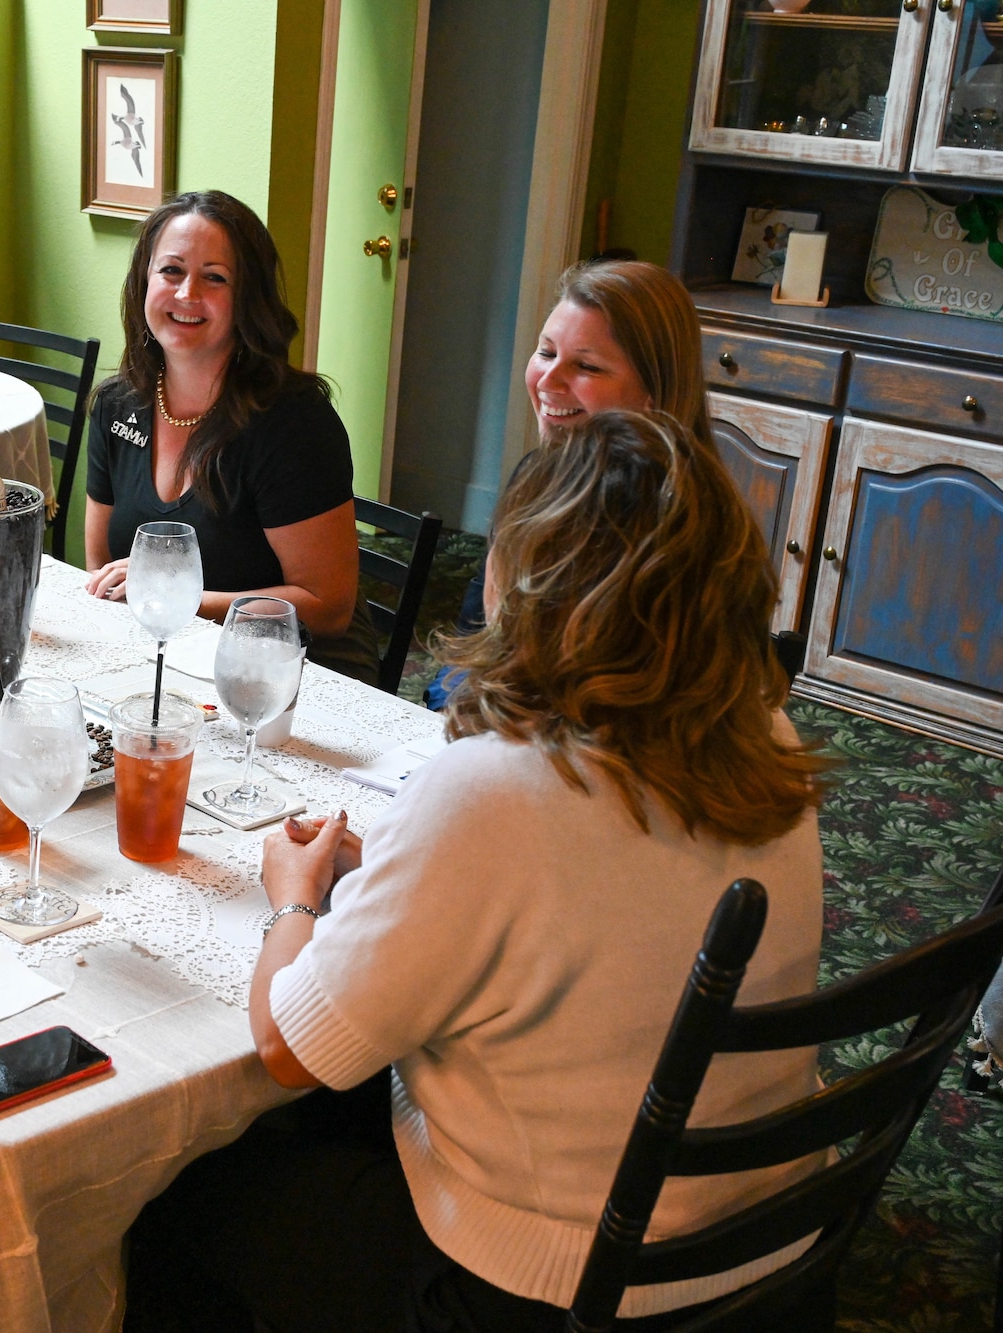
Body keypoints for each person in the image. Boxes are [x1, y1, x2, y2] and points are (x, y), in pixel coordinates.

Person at [126, 410, 831, 1332]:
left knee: (175, 1199)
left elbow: (289, 1048)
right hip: (760, 1245)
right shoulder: (763, 737)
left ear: (529, 578)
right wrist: (406, 877)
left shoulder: (499, 785)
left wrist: (294, 900)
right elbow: (598, 904)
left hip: (536, 1288)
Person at [80, 190, 376, 680]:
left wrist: (180, 602)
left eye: (214, 278)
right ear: (143, 282)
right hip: (171, 660)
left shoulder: (294, 423)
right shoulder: (117, 403)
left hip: (292, 674)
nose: (186, 294)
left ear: (247, 299)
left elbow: (327, 607)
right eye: (171, 271)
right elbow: (104, 566)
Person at [427, 258, 713, 709]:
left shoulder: (675, 520)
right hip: (494, 714)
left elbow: (618, 706)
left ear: (652, 393)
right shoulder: (535, 475)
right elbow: (484, 641)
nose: (549, 380)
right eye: (546, 352)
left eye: (587, 366)